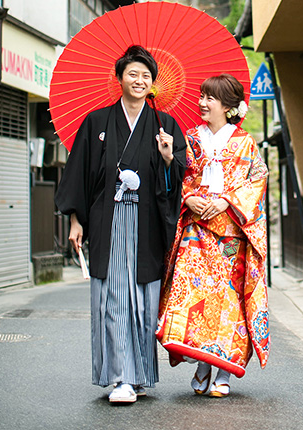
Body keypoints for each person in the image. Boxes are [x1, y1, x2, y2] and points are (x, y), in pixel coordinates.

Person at [55, 44, 186, 404]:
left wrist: (167, 158)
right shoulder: (96, 122)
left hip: (146, 223)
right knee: (113, 298)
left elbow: (179, 178)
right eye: (133, 74)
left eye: (146, 76)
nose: (139, 80)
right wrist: (76, 219)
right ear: (120, 78)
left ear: (153, 83)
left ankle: (140, 374)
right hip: (106, 220)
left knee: (144, 301)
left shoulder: (165, 126)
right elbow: (80, 174)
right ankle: (120, 377)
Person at [156, 74, 269, 397]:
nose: (203, 103)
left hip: (230, 231)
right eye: (202, 96)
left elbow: (257, 181)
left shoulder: (245, 142)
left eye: (211, 98)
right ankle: (201, 363)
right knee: (193, 296)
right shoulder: (189, 138)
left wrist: (226, 200)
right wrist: (186, 194)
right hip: (196, 228)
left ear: (229, 106)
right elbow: (182, 174)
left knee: (227, 301)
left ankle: (222, 370)